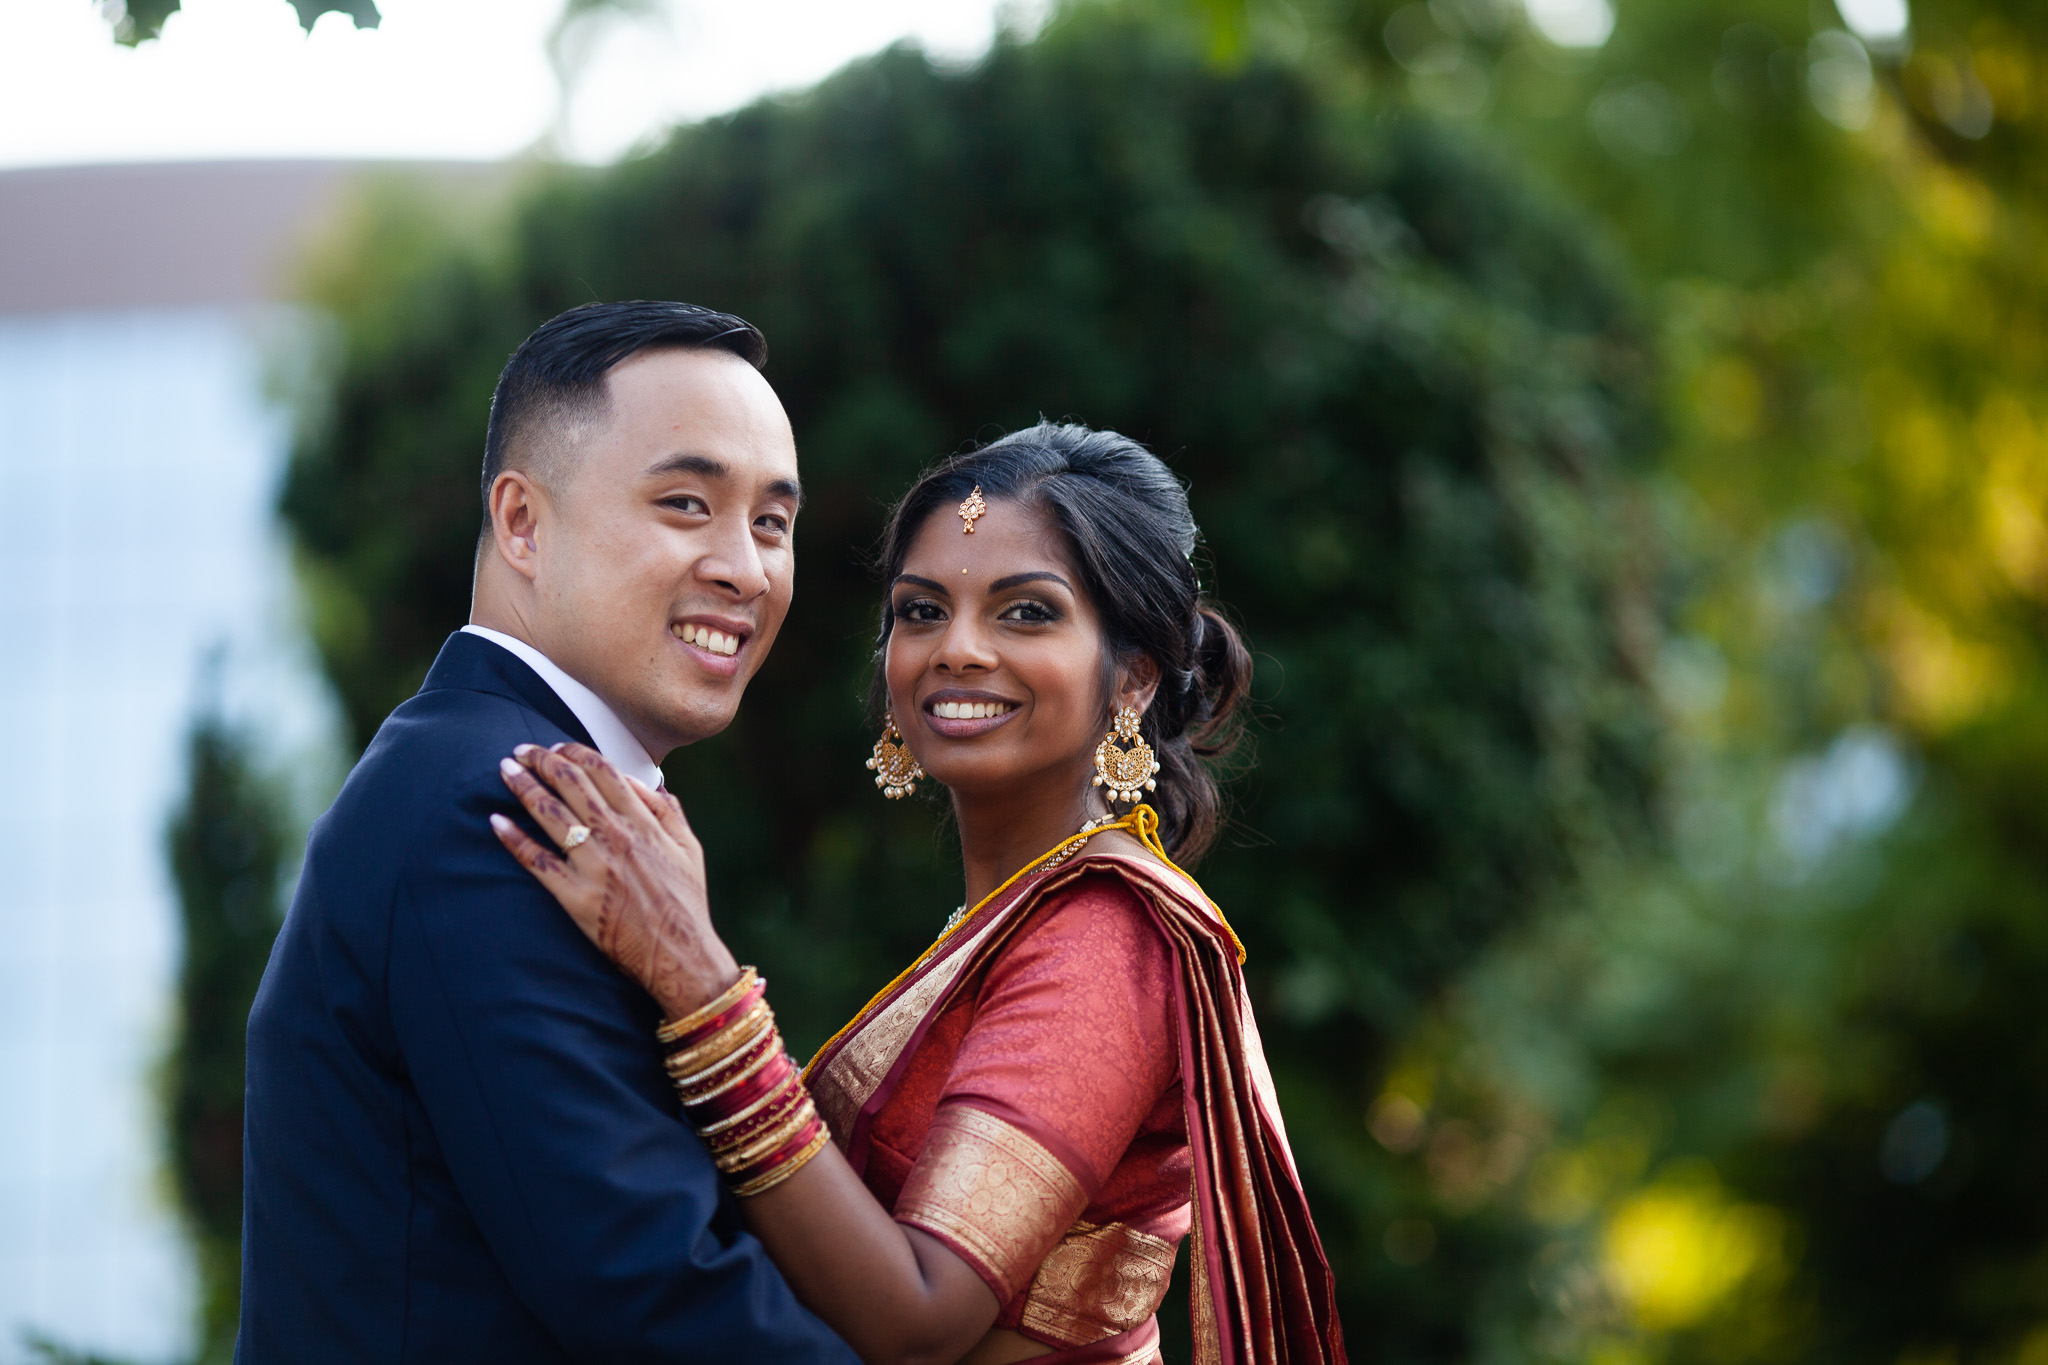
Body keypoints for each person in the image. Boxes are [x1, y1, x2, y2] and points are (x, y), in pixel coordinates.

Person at [494, 423, 1348, 1365]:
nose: (959, 649)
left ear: (1133, 678)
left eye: (1026, 613)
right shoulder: (1014, 917)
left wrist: (698, 981)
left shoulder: (1106, 935)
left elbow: (918, 1318)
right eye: (922, 609)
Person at [237, 301, 859, 1364]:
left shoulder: (505, 774)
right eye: (685, 503)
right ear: (522, 523)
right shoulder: (497, 808)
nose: (745, 570)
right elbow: (651, 1293)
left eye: (770, 522)